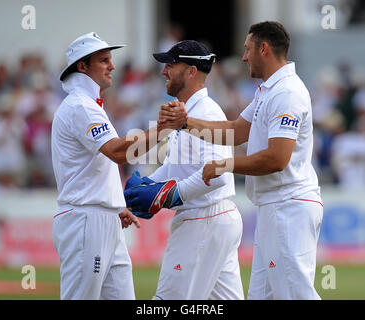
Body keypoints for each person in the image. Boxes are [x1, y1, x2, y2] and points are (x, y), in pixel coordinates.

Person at [160, 22, 323, 300]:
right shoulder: (268, 91)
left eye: (247, 50)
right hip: (274, 207)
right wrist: (186, 123)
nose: (244, 57)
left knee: (295, 296)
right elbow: (235, 131)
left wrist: (225, 165)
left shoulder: (287, 93)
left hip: (288, 206)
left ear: (264, 49)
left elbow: (277, 158)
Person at [51, 32, 171, 300]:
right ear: (82, 66)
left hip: (103, 219)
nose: (112, 66)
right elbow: (117, 152)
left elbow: (98, 165)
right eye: (104, 60)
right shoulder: (81, 106)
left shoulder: (88, 105)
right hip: (86, 220)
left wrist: (116, 205)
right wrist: (162, 129)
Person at [124, 40, 244, 300]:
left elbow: (218, 175)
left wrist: (166, 195)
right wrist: (147, 184)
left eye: (170, 65)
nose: (163, 71)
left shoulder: (207, 112)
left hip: (203, 219)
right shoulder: (187, 113)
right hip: (212, 219)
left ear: (191, 71)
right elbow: (174, 166)